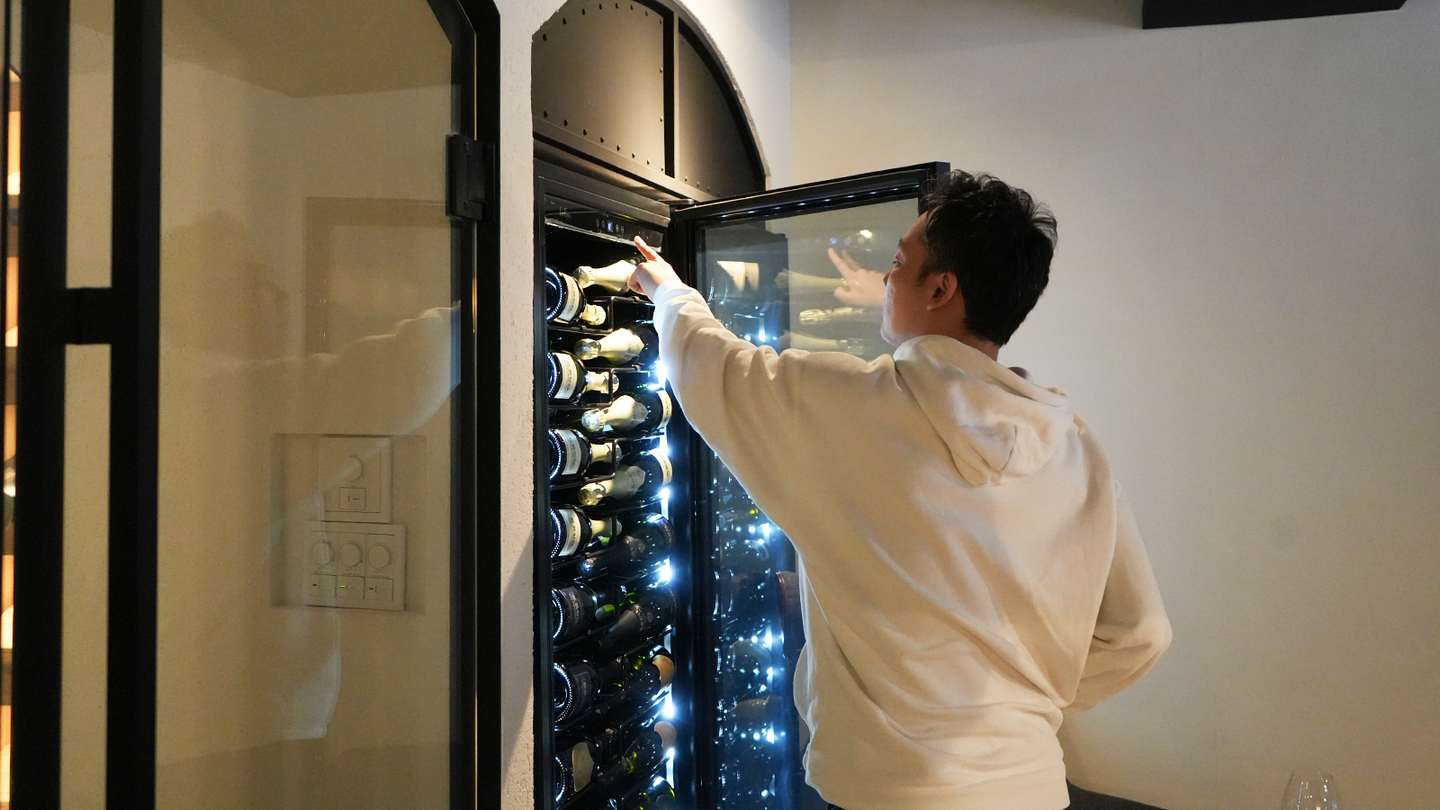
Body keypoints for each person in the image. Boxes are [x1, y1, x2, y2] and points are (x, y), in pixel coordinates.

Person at [626, 171, 1172, 810]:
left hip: (891, 790)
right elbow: (1142, 633)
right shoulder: (1074, 446)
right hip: (1031, 784)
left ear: (941, 288)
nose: (885, 278)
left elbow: (713, 369)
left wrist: (669, 292)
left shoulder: (853, 406)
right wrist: (1020, 704)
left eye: (896, 263)